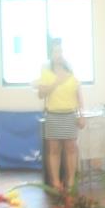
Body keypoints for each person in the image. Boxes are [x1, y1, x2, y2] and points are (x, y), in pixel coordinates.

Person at [36, 38, 85, 189]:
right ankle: (56, 182)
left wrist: (81, 115)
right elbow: (41, 94)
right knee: (54, 150)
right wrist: (56, 82)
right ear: (51, 54)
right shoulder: (46, 73)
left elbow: (78, 96)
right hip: (53, 115)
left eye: (61, 51)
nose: (59, 54)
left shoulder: (71, 72)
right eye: (56, 51)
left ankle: (70, 181)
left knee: (71, 148)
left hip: (70, 115)